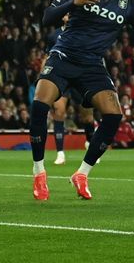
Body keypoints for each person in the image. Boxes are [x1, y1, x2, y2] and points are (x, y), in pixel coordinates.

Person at [30, 0, 134, 200]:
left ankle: (82, 174)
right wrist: (74, 3)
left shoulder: (130, 4)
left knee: (113, 115)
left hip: (91, 65)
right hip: (64, 56)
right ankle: (39, 173)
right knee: (40, 104)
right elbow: (47, 17)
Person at [43, 15, 96, 166]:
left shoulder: (84, 33)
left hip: (80, 77)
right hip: (62, 77)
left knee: (87, 117)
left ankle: (90, 143)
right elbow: (48, 56)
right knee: (58, 111)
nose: (69, 16)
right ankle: (60, 153)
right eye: (67, 14)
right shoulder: (54, 35)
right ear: (63, 17)